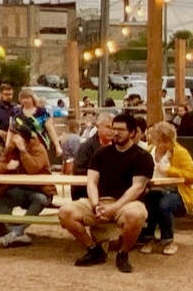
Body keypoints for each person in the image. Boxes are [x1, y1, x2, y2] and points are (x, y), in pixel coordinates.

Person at [60, 111, 154, 271]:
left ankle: (123, 253)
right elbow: (91, 182)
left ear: (132, 133)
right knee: (65, 212)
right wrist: (95, 204)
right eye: (113, 128)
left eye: (121, 130)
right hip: (100, 201)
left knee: (135, 215)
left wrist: (114, 208)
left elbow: (137, 188)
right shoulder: (100, 154)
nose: (115, 133)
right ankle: (93, 250)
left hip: (127, 203)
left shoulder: (143, 157)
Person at [0, 123, 52, 247]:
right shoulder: (10, 148)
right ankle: (18, 233)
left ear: (22, 137)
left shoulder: (38, 148)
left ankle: (16, 232)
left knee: (40, 199)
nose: (10, 138)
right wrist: (7, 166)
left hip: (39, 189)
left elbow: (33, 169)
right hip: (18, 189)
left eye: (13, 135)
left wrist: (23, 151)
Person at [142, 121, 193, 255]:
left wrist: (169, 170)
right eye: (159, 141)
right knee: (149, 202)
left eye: (166, 141)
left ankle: (168, 240)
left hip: (176, 191)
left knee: (164, 204)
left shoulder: (180, 152)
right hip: (152, 189)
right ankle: (148, 239)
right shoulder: (148, 152)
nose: (163, 144)